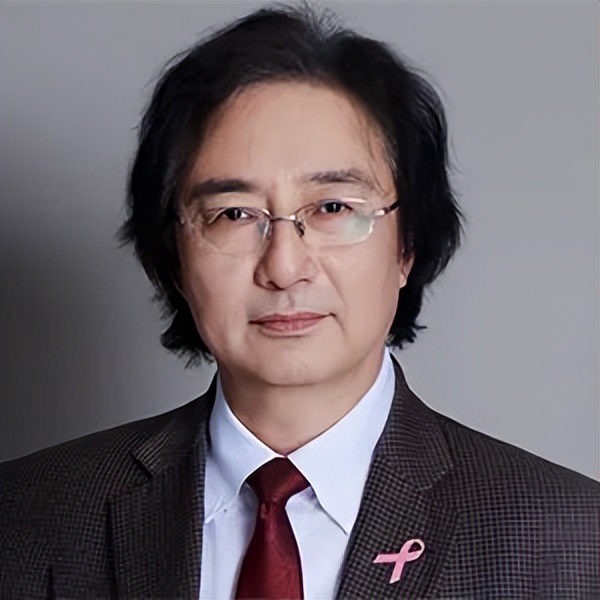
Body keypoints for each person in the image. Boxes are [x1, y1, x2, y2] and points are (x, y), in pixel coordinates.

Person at [1, 4, 598, 599]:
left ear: (407, 246)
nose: (284, 267)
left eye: (333, 208)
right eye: (234, 215)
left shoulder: (571, 540)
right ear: (176, 255)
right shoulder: (26, 520)